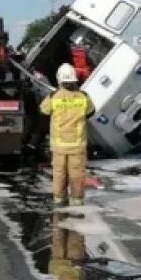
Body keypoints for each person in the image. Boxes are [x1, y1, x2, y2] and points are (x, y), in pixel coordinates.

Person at [40, 63, 95, 206]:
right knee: (77, 174)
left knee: (59, 174)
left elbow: (43, 111)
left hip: (59, 146)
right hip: (77, 145)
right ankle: (77, 201)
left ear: (59, 79)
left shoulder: (54, 96)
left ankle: (59, 200)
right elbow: (91, 112)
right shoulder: (83, 97)